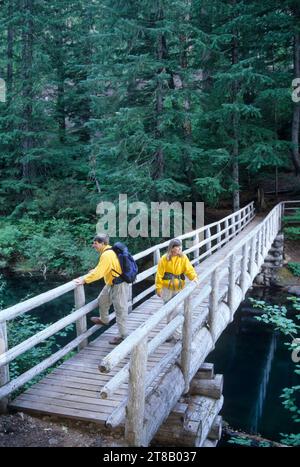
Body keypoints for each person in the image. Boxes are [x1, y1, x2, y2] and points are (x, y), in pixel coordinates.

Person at [75, 234, 129, 345]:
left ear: (103, 243)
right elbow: (102, 268)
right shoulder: (107, 252)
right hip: (111, 283)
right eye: (93, 243)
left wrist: (84, 280)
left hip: (119, 285)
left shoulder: (107, 254)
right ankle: (104, 320)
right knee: (102, 300)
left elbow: (99, 273)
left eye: (95, 243)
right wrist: (93, 271)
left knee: (120, 310)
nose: (93, 245)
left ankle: (122, 336)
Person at [155, 238, 198, 340]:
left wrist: (194, 278)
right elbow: (159, 274)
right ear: (170, 249)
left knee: (178, 310)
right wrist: (158, 288)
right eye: (174, 250)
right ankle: (169, 334)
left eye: (178, 250)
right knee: (168, 310)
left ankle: (177, 334)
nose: (176, 252)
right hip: (166, 288)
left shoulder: (183, 258)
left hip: (179, 287)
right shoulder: (164, 259)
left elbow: (189, 269)